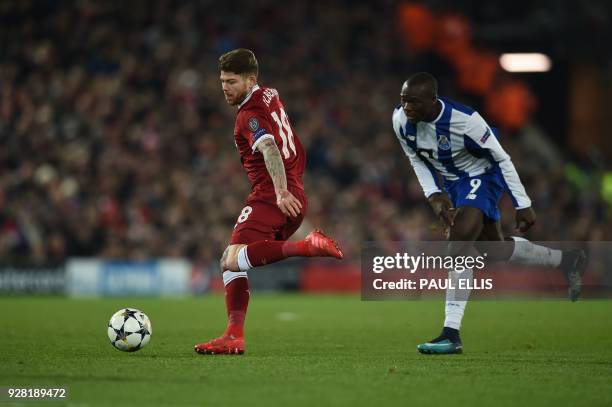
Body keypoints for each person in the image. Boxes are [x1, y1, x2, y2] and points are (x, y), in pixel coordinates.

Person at [392, 72, 586, 354]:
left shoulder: (465, 120)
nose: (407, 108)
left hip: (481, 176)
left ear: (433, 101)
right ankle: (566, 261)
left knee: (459, 243)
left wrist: (523, 203)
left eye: (413, 102)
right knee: (493, 250)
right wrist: (434, 196)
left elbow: (501, 157)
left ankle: (450, 333)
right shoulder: (400, 121)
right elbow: (415, 159)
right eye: (403, 101)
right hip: (454, 184)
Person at [194, 49, 343, 355]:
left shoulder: (249, 116)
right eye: (222, 80)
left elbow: (270, 149)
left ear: (250, 80)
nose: (224, 87)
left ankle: (307, 247)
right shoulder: (269, 94)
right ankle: (234, 334)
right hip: (294, 192)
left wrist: (279, 191)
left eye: (232, 81)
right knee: (231, 260)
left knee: (231, 260)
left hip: (273, 195)